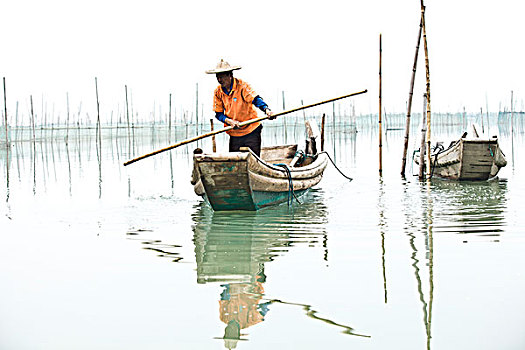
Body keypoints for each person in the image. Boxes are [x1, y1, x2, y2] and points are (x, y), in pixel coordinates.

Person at [205, 59, 274, 156]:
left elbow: (255, 99)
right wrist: (229, 121)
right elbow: (219, 114)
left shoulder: (242, 86)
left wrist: (267, 110)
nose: (219, 80)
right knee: (235, 161)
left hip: (251, 129)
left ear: (230, 75)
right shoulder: (218, 92)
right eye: (218, 77)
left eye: (222, 76)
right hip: (234, 131)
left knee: (253, 160)